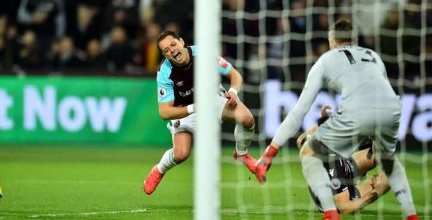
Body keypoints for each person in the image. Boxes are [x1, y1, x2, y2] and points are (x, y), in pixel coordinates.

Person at [254, 19, 419, 220]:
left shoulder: (326, 60)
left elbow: (298, 112)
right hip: (393, 108)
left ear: (332, 40)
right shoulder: (372, 55)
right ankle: (412, 215)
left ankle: (331, 214)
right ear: (355, 41)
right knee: (388, 161)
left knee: (309, 152)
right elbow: (374, 97)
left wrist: (270, 152)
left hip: (357, 121)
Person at [143, 30, 257, 195]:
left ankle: (242, 154)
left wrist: (232, 91)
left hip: (212, 100)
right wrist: (194, 108)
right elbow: (164, 112)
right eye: (166, 50)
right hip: (186, 110)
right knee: (181, 154)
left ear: (181, 42)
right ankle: (159, 170)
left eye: (173, 44)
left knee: (246, 119)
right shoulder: (164, 73)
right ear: (164, 55)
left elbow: (235, 75)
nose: (172, 50)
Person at [297, 105, 390, 215]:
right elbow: (344, 208)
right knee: (388, 180)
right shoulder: (330, 173)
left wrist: (321, 122)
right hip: (337, 194)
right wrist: (373, 194)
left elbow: (300, 140)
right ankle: (364, 188)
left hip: (343, 165)